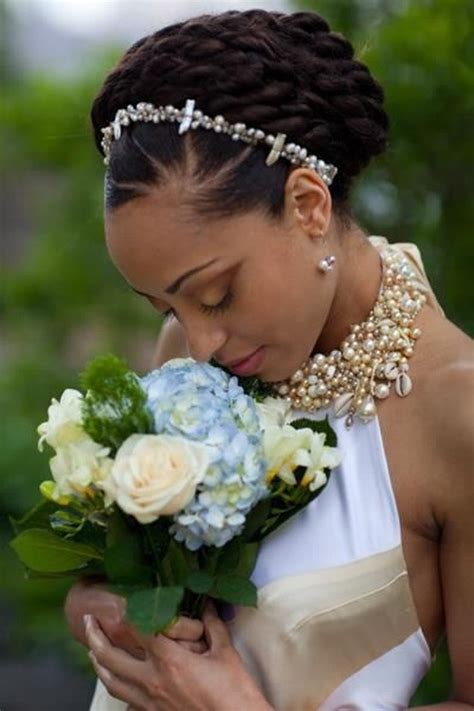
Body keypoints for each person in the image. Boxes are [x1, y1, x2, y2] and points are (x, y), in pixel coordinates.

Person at [64, 9, 474, 710]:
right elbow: (94, 593)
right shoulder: (196, 366)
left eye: (217, 293)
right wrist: (127, 615)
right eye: (167, 309)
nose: (197, 346)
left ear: (309, 204)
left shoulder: (454, 411)